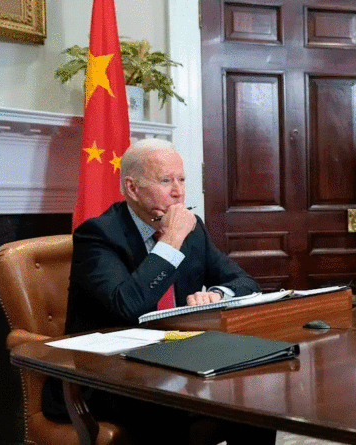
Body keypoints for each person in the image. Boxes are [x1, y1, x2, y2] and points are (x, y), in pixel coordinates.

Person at [44, 138, 273, 445]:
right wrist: (171, 241)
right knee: (167, 405)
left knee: (253, 394)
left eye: (181, 179)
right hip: (106, 374)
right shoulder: (98, 235)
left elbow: (246, 284)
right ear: (132, 188)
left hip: (178, 358)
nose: (178, 191)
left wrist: (216, 294)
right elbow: (127, 306)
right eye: (165, 181)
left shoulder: (193, 230)